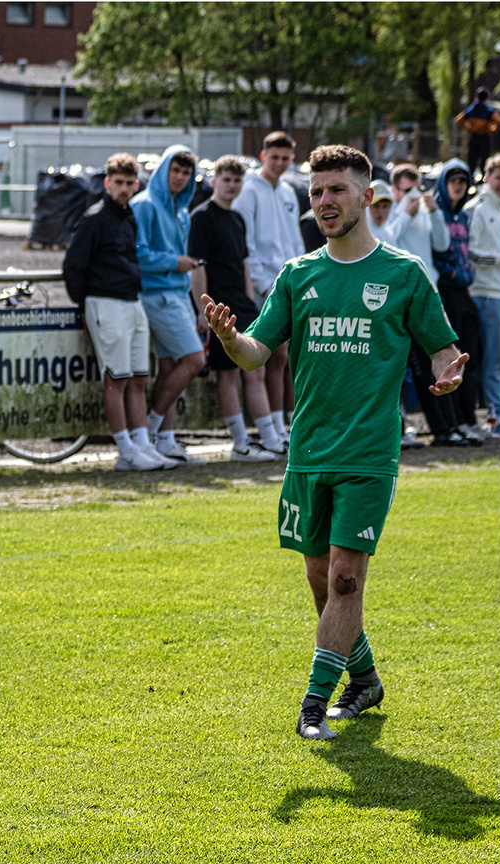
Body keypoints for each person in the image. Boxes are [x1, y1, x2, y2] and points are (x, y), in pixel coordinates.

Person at [203, 144, 466, 741]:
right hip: (307, 453)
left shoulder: (403, 275)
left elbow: (444, 350)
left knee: (347, 577)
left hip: (370, 454)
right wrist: (227, 336)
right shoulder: (300, 276)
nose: (323, 202)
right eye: (316, 192)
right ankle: (366, 678)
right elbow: (253, 356)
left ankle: (314, 705)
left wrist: (449, 373)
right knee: (322, 580)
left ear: (366, 197)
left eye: (336, 191)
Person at [63, 152, 169, 471]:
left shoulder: (129, 216)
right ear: (107, 183)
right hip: (104, 302)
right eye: (118, 182)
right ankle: (124, 450)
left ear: (136, 185)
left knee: (138, 377)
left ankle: (142, 444)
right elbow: (73, 266)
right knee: (116, 378)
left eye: (128, 183)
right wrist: (84, 304)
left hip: (132, 300)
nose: (123, 188)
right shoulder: (94, 218)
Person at [187, 155, 279, 462]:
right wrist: (203, 312)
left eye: (237, 180)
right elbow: (197, 266)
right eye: (226, 179)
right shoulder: (201, 217)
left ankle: (270, 438)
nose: (231, 185)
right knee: (227, 376)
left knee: (257, 370)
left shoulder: (237, 219)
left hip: (243, 306)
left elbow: (243, 263)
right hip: (218, 310)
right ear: (214, 182)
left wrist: (250, 299)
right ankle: (240, 444)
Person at [131, 145, 208, 464]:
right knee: (194, 360)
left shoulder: (182, 211)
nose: (179, 177)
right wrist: (173, 262)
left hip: (178, 295)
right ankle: (149, 430)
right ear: (163, 170)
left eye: (186, 173)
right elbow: (137, 254)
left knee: (170, 367)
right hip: (157, 294)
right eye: (175, 171)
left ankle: (165, 440)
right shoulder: (144, 205)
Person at [233, 131, 304, 455]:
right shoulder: (248, 191)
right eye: (274, 158)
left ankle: (281, 426)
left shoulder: (289, 191)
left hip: (290, 286)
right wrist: (261, 284)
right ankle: (272, 430)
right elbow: (245, 244)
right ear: (263, 156)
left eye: (285, 159)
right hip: (264, 287)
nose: (278, 164)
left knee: (284, 359)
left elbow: (295, 243)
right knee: (270, 357)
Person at [385, 163, 459, 445]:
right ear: (396, 190)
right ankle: (413, 427)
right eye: (406, 190)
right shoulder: (392, 210)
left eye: (417, 190)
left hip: (430, 292)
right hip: (403, 298)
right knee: (411, 367)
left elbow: (442, 244)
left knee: (437, 359)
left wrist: (435, 212)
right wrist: (405, 213)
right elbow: (388, 237)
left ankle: (447, 427)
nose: (413, 196)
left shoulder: (423, 212)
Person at [432, 158, 483, 439]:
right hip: (446, 292)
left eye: (463, 182)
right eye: (453, 181)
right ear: (444, 183)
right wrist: (450, 273)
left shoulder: (462, 215)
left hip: (464, 290)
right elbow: (434, 250)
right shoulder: (435, 210)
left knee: (471, 356)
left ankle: (467, 418)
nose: (458, 187)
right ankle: (452, 422)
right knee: (452, 360)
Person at [467, 153, 500, 436]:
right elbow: (468, 251)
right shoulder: (478, 208)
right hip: (484, 291)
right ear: (488, 177)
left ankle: (498, 412)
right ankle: (497, 415)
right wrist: (499, 260)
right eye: (499, 177)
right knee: (494, 358)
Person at [455, 89, 500, 177]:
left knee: (472, 159)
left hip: (474, 136)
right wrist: (493, 129)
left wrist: (468, 128)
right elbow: (498, 119)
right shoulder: (488, 109)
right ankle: (484, 178)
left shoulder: (472, 109)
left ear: (476, 98)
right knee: (485, 159)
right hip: (485, 137)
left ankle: (470, 177)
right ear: (486, 99)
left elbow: (459, 119)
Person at [365, 180, 397, 245]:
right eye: (376, 206)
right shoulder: (359, 235)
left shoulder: (389, 235)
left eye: (385, 207)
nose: (380, 211)